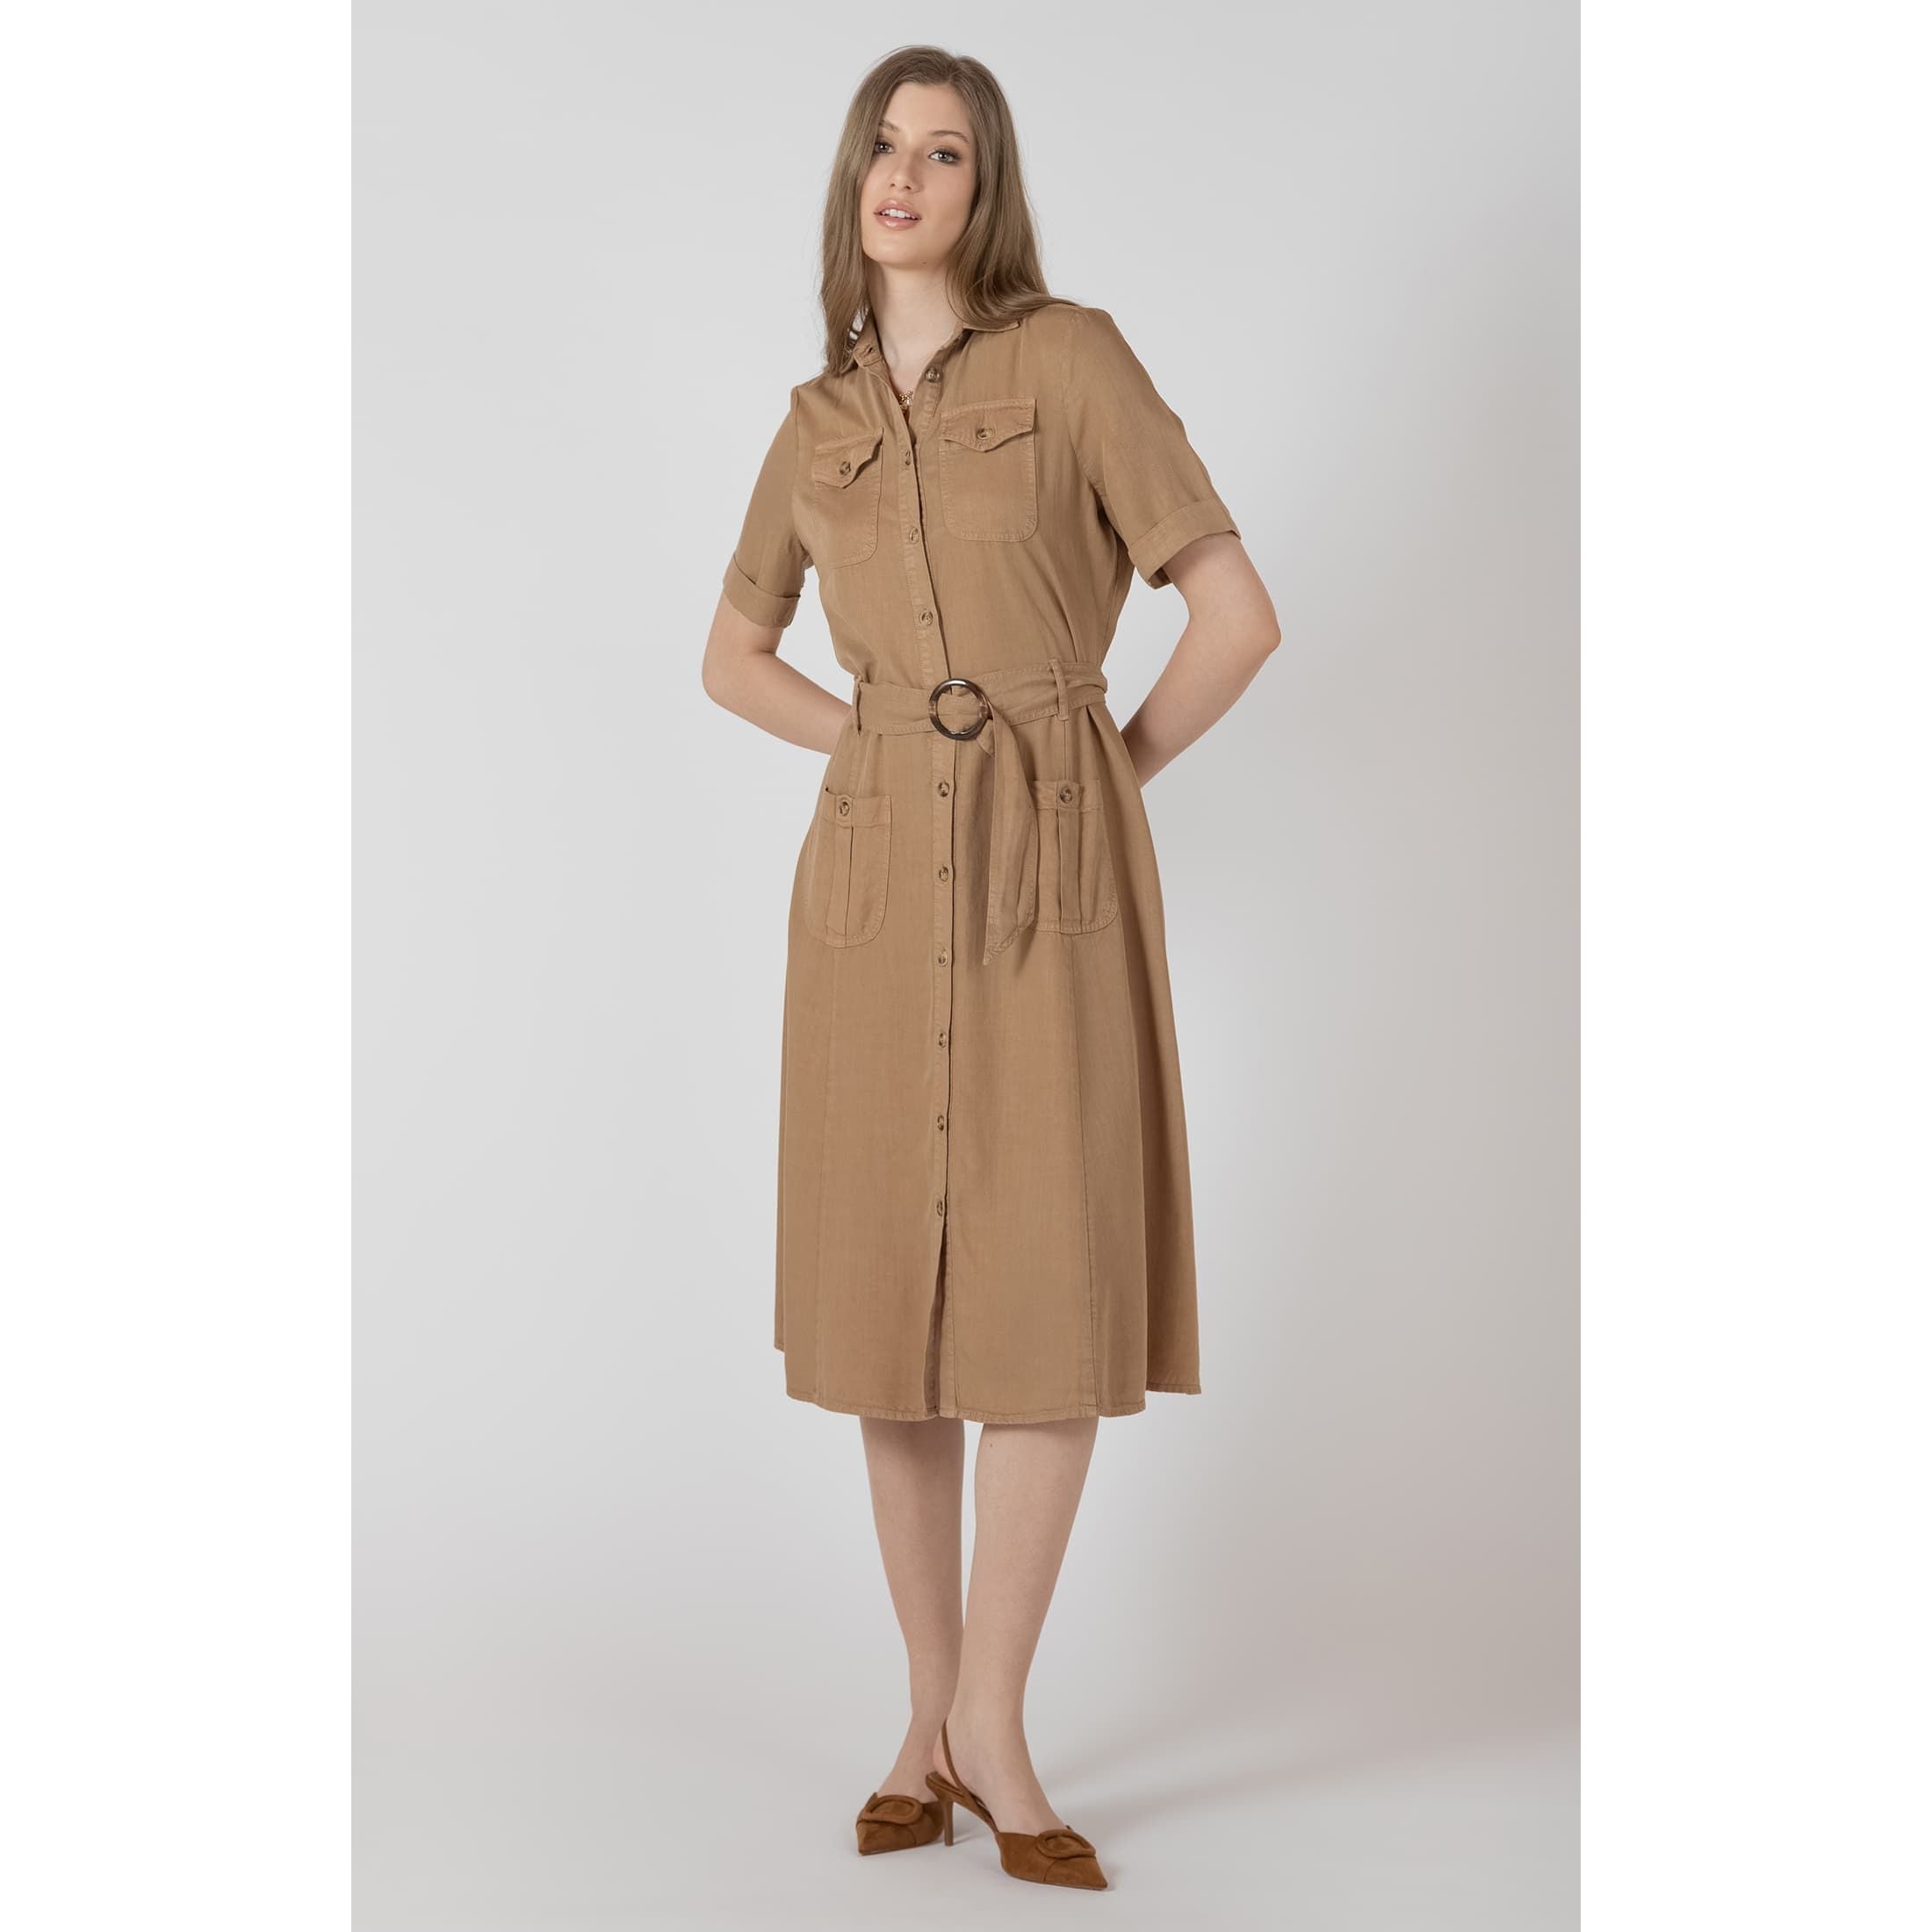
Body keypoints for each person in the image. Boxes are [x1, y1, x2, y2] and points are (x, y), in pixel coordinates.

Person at [702, 45, 1280, 1891]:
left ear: (986, 187)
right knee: (890, 1307)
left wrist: (1099, 776)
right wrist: (877, 748)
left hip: (1049, 877)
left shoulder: (1075, 363)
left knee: (1040, 1297)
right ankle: (923, 1719)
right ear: (849, 176)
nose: (905, 175)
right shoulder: (813, 420)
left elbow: (1235, 613)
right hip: (872, 891)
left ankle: (998, 1723)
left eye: (944, 152)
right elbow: (729, 656)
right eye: (883, 144)